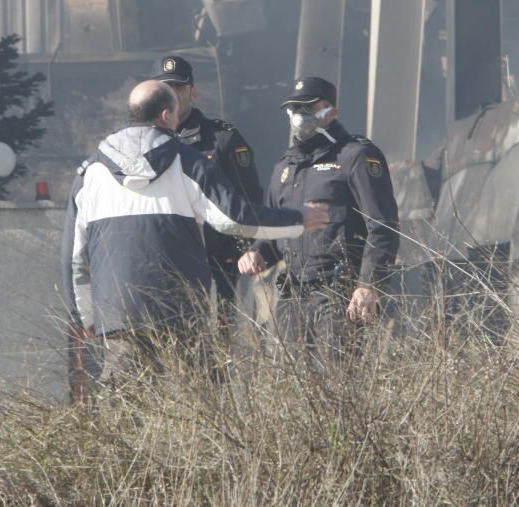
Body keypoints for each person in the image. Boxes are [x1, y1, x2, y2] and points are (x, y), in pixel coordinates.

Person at [60, 80, 328, 384]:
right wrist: (297, 219)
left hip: (118, 313)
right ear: (166, 116)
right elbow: (234, 218)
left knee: (125, 413)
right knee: (191, 409)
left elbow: (75, 258)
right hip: (180, 312)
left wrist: (84, 317)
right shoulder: (187, 162)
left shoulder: (90, 173)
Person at [238, 77, 400, 364]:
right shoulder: (285, 168)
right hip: (293, 296)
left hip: (339, 293)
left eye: (308, 108)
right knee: (292, 386)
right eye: (294, 108)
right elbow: (276, 231)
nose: (300, 116)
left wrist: (368, 285)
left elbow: (383, 227)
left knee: (338, 384)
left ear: (331, 112)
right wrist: (258, 251)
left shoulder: (356, 156)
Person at [152, 55, 262, 304]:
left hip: (214, 263)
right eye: (165, 88)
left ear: (193, 92)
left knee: (216, 338)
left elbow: (248, 199)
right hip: (158, 262)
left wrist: (245, 250)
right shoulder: (138, 144)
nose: (172, 94)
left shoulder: (222, 139)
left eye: (179, 87)